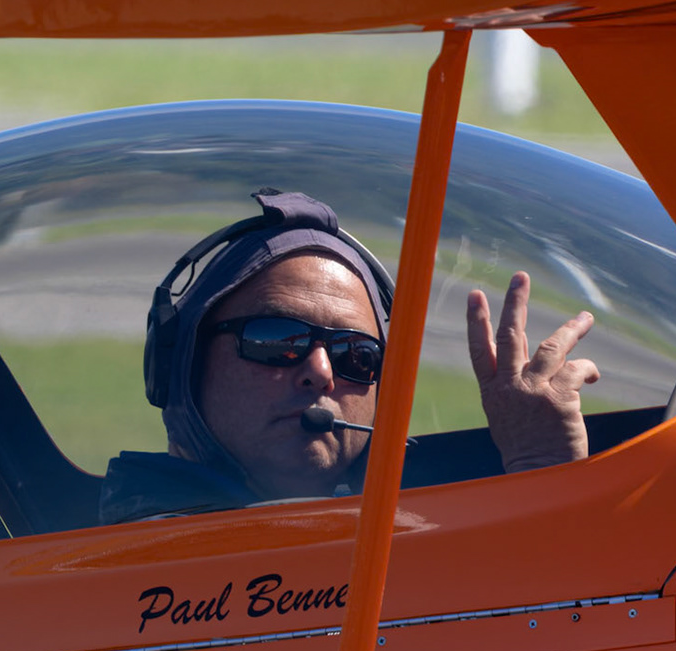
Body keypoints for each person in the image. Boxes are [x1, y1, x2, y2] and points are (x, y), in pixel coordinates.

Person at [100, 189, 598, 524]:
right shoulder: (99, 573)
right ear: (179, 367)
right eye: (277, 340)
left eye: (356, 356)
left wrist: (544, 475)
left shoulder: (422, 547)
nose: (319, 373)